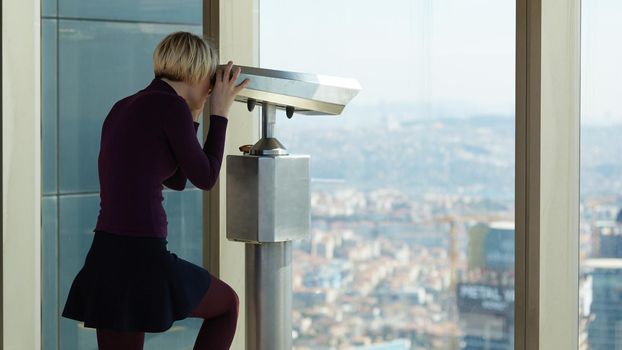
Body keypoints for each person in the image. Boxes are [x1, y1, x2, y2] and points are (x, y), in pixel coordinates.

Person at [61, 31, 250, 350]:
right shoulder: (168, 107)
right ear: (199, 73)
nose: (210, 90)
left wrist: (193, 116)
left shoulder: (124, 106)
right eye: (210, 82)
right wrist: (219, 114)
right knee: (226, 306)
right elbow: (205, 177)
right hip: (142, 255)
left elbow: (176, 179)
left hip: (106, 254)